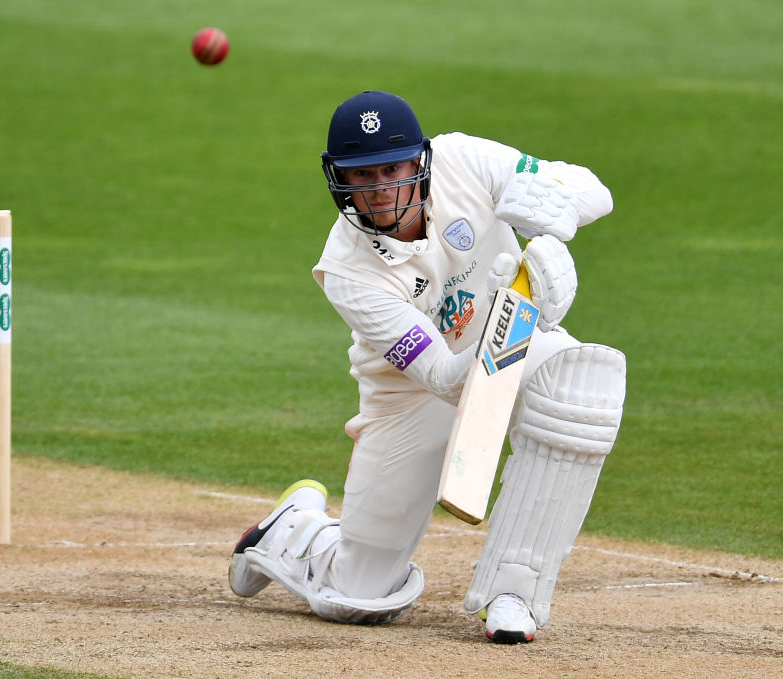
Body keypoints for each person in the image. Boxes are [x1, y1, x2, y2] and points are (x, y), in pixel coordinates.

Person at [228, 91, 626, 643]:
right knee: (358, 597)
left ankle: (514, 591)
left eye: (392, 169)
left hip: (515, 349)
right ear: (339, 179)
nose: (380, 188)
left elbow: (593, 188)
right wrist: (513, 315)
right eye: (363, 175)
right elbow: (442, 377)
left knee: (577, 386)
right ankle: (292, 533)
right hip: (411, 397)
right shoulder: (348, 271)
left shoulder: (463, 159)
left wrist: (556, 211)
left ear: (420, 161)